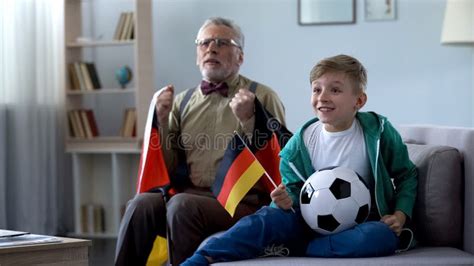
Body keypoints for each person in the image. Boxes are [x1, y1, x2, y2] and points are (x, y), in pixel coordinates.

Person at [183, 54, 418, 265]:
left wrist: (399, 215)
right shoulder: (300, 142)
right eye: (316, 90)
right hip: (308, 224)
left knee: (380, 236)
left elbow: (406, 175)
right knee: (266, 218)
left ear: (359, 101)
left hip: (362, 225)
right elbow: (295, 191)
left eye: (335, 90)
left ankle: (301, 249)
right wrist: (284, 200)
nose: (322, 97)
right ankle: (203, 256)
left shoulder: (379, 132)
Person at [114, 17, 286, 266]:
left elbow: (279, 158)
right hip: (190, 193)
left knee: (182, 206)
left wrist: (250, 120)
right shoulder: (181, 102)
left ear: (240, 57)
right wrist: (161, 123)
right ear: (197, 55)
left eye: (222, 42)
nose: (211, 48)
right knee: (141, 204)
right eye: (204, 43)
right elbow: (168, 168)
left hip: (242, 201)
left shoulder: (262, 96)